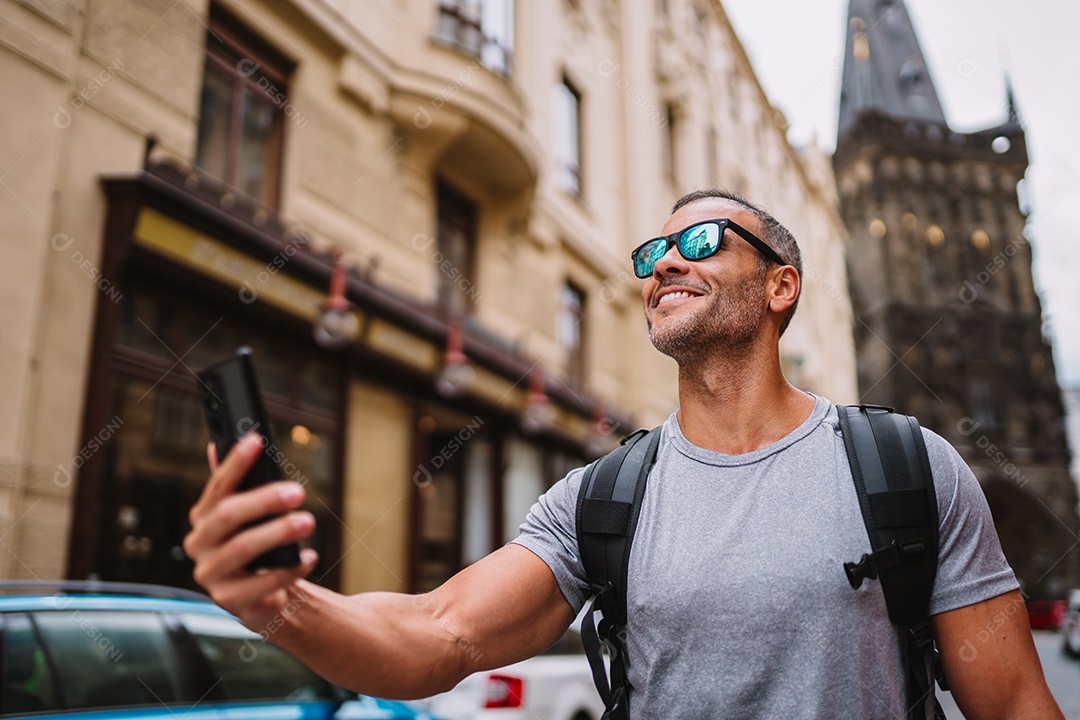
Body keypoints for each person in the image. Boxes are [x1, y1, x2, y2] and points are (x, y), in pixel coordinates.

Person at [184, 190, 1063, 719]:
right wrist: (283, 605)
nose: (663, 265)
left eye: (698, 243)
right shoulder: (603, 498)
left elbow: (1016, 704)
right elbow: (439, 631)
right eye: (652, 254)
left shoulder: (907, 467)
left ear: (780, 287)